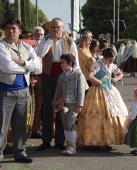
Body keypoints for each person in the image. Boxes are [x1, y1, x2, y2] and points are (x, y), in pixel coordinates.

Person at [0, 18, 40, 165]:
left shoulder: (27, 47)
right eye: (8, 28)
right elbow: (7, 67)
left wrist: (23, 63)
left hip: (24, 91)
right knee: (2, 126)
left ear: (20, 31)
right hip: (5, 91)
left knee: (20, 125)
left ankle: (20, 153)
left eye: (14, 28)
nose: (11, 30)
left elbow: (38, 67)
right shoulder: (1, 46)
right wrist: (28, 67)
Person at [37, 18, 80, 151]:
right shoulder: (45, 40)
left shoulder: (69, 41)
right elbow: (39, 53)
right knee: (48, 109)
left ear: (63, 28)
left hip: (64, 78)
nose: (55, 30)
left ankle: (60, 141)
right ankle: (46, 140)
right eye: (53, 28)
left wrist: (77, 78)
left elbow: (75, 62)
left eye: (58, 27)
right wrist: (50, 40)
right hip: (48, 77)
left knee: (62, 108)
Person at [77, 48, 128, 146]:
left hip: (110, 91)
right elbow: (89, 76)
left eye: (112, 60)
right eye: (109, 60)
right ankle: (99, 140)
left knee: (112, 113)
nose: (111, 62)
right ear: (104, 58)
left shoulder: (111, 65)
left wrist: (114, 79)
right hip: (98, 92)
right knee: (100, 115)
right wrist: (98, 82)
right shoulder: (98, 65)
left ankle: (108, 140)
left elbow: (120, 74)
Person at [52, 54, 85, 155]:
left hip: (73, 104)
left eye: (63, 62)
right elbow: (57, 91)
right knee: (65, 125)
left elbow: (81, 91)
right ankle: (69, 145)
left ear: (70, 64)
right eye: (61, 62)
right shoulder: (61, 76)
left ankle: (73, 146)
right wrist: (54, 104)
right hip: (62, 104)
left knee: (71, 124)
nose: (60, 65)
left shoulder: (78, 75)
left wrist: (79, 105)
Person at [30, 26, 44, 139]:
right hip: (29, 77)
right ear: (33, 35)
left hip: (41, 78)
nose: (39, 36)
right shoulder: (27, 47)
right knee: (27, 105)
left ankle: (35, 130)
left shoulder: (46, 47)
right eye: (37, 34)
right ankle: (25, 129)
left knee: (38, 106)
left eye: (41, 34)